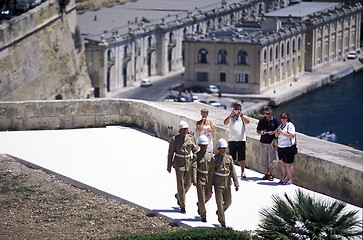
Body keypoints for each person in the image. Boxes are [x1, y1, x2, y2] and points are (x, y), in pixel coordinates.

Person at [167, 120, 198, 213]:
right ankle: (182, 205)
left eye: (186, 129)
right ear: (180, 130)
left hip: (188, 163)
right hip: (178, 164)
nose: (185, 131)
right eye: (183, 130)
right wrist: (169, 165)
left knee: (188, 183)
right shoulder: (174, 139)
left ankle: (179, 196)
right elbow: (170, 153)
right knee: (180, 184)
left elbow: (194, 149)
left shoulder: (191, 138)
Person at [212, 138, 239, 227]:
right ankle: (222, 221)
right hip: (218, 183)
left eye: (225, 148)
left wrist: (236, 183)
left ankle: (219, 212)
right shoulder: (215, 159)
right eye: (222, 148)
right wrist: (209, 186)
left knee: (228, 202)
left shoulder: (229, 158)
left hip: (227, 183)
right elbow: (211, 173)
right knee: (219, 203)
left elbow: (233, 171)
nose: (224, 150)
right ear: (218, 149)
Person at [191, 135, 215, 222]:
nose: (204, 147)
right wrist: (194, 179)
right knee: (201, 197)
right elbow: (194, 168)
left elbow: (213, 168)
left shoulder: (210, 156)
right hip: (200, 178)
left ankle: (200, 205)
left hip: (208, 178)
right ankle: (203, 214)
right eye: (203, 145)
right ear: (199, 146)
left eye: (206, 145)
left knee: (209, 195)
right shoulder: (196, 156)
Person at [223, 103, 250, 178]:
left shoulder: (242, 118)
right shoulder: (231, 118)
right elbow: (225, 122)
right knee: (232, 158)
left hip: (241, 140)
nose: (237, 111)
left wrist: (241, 115)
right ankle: (232, 171)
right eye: (235, 109)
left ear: (240, 110)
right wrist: (230, 115)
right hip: (232, 140)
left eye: (238, 109)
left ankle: (243, 172)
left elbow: (248, 122)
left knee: (242, 157)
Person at [256, 106, 280, 181]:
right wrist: (261, 132)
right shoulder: (262, 120)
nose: (268, 115)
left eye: (269, 113)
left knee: (272, 159)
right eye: (266, 113)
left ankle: (270, 174)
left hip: (271, 142)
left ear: (271, 113)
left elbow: (279, 130)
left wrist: (272, 132)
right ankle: (267, 173)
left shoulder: (275, 120)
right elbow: (258, 130)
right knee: (265, 159)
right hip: (263, 142)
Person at [275, 112, 296, 185]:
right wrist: (276, 132)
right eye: (282, 117)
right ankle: (285, 177)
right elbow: (277, 135)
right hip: (280, 147)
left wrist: (282, 133)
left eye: (284, 118)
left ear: (287, 118)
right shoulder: (280, 126)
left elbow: (292, 136)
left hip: (288, 147)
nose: (283, 119)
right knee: (283, 163)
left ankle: (290, 179)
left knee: (288, 164)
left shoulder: (290, 125)